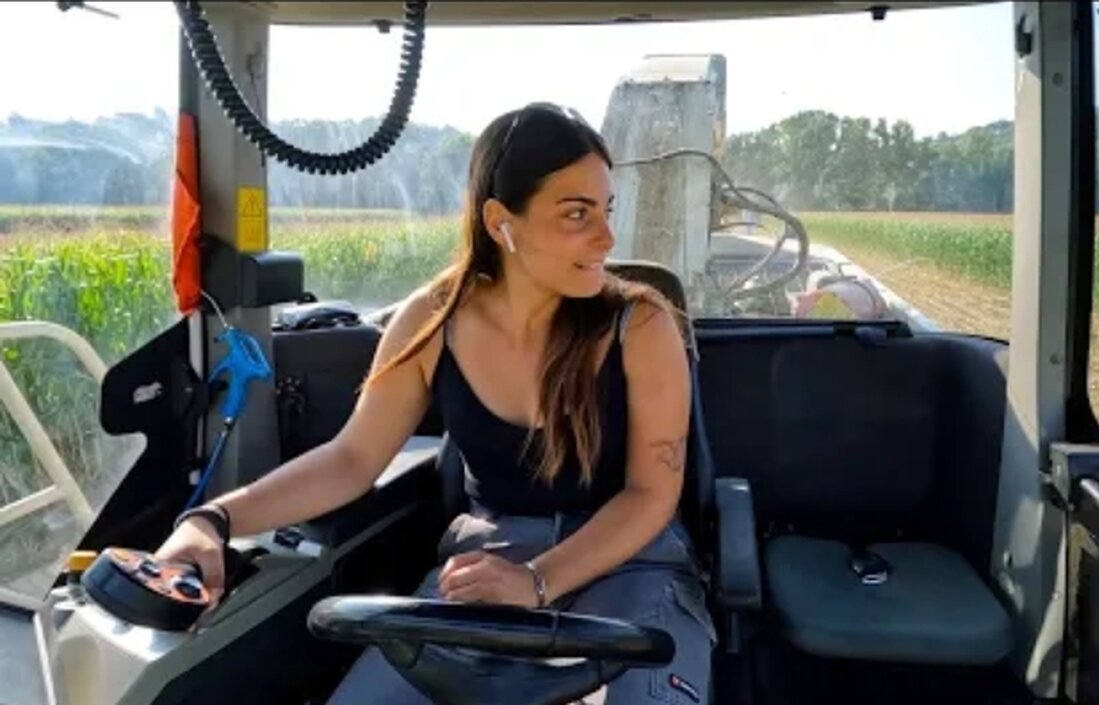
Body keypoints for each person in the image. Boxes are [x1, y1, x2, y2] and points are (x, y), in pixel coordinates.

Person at [154, 102, 717, 704]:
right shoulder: (432, 319)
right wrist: (211, 521)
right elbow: (352, 458)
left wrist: (537, 581)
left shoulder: (641, 322)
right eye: (577, 214)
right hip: (488, 564)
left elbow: (650, 494)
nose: (606, 237)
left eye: (607, 210)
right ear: (502, 220)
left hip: (634, 562)